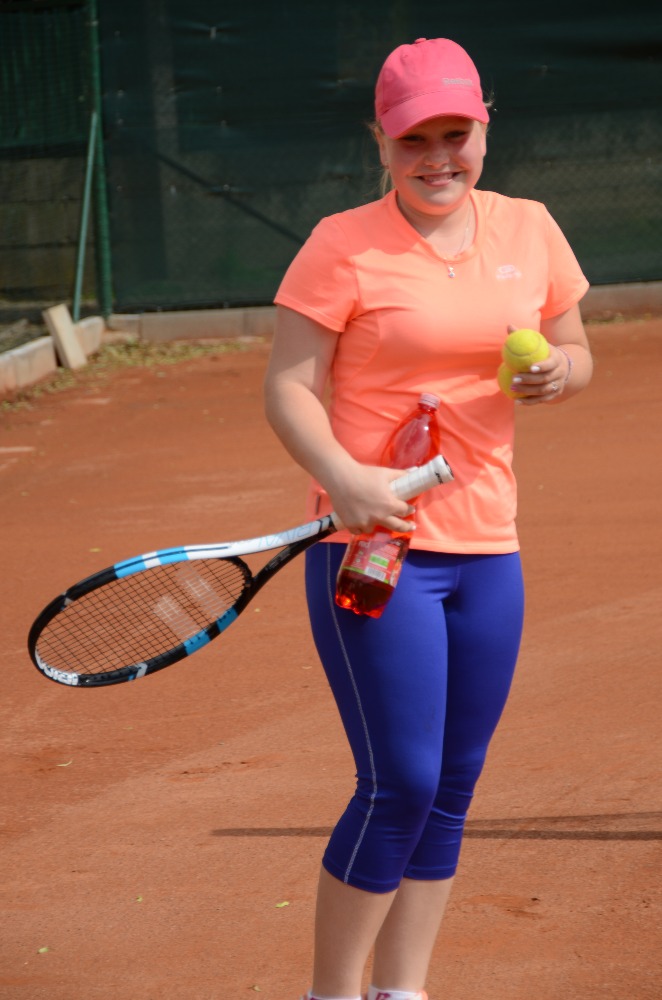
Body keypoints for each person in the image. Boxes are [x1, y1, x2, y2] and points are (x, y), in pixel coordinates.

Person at [264, 36, 593, 1000]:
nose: (438, 157)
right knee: (399, 782)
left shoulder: (530, 227)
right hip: (374, 549)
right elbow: (288, 386)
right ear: (381, 140)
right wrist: (342, 477)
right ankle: (333, 992)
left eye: (457, 134)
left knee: (453, 784)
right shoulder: (340, 244)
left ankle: (401, 990)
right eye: (414, 139)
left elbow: (576, 348)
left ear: (485, 129)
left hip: (489, 547)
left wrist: (558, 372)